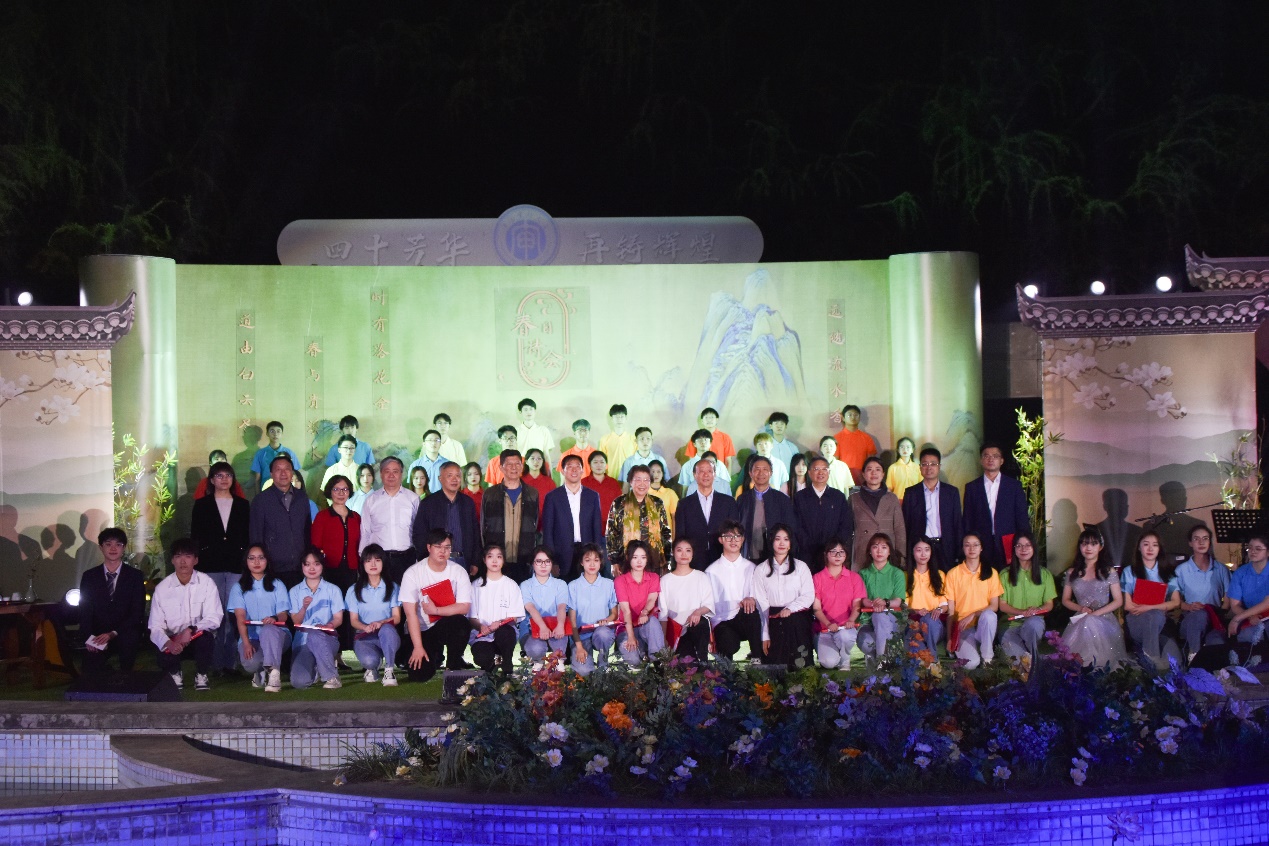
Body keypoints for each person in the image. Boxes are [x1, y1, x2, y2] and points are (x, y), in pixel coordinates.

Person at [190, 461, 251, 673]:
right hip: (210, 564)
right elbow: (195, 536)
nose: (224, 479)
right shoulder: (202, 505)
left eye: (228, 475)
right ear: (211, 480)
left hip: (236, 565)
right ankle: (214, 662)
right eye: (219, 475)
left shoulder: (243, 505)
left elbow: (247, 536)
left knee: (233, 612)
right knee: (214, 613)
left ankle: (231, 661)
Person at [149, 538, 224, 691]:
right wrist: (169, 643)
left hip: (196, 637)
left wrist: (190, 630)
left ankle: (202, 674)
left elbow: (214, 617)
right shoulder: (162, 588)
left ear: (195, 560)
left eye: (188, 556)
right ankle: (175, 673)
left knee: (206, 638)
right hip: (173, 639)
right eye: (178, 556)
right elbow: (155, 626)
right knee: (161, 644)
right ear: (172, 560)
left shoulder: (206, 583)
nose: (183, 561)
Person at [401, 528, 474, 682]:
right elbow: (410, 614)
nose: (443, 551)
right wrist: (418, 647)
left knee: (461, 623)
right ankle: (433, 656)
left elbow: (464, 606)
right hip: (422, 630)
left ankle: (453, 665)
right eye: (438, 546)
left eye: (447, 547)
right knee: (419, 675)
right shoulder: (413, 573)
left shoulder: (458, 571)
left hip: (445, 625)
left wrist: (436, 610)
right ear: (429, 547)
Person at [77, 527, 146, 676]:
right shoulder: (90, 576)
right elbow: (85, 611)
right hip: (98, 633)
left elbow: (137, 613)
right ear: (101, 547)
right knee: (91, 671)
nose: (113, 548)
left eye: (118, 544)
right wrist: (89, 637)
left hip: (124, 631)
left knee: (129, 642)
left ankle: (126, 678)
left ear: (124, 548)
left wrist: (113, 633)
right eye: (108, 544)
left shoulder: (135, 576)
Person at [226, 544, 292, 693]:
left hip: (277, 634)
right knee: (251, 663)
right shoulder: (238, 587)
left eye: (261, 558)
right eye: (252, 558)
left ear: (267, 560)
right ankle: (260, 670)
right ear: (246, 561)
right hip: (252, 637)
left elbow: (283, 614)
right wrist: (246, 643)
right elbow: (240, 617)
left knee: (268, 630)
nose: (256, 562)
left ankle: (274, 675)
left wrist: (274, 618)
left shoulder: (277, 584)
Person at [1060, 529, 1129, 669]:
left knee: (1090, 622)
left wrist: (1096, 613)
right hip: (1081, 617)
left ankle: (1095, 664)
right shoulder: (1072, 572)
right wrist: (1081, 609)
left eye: (1093, 544)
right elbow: (1065, 600)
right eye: (1084, 544)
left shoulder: (1109, 571)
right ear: (1080, 546)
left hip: (1104, 618)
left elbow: (1118, 600)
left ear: (1100, 547)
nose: (1088, 548)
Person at [752, 524, 814, 666]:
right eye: (777, 539)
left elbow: (808, 596)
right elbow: (762, 604)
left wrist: (790, 609)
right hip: (772, 618)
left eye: (786, 539)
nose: (781, 543)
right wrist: (765, 634)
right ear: (771, 541)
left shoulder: (801, 567)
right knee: (774, 667)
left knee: (799, 665)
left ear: (790, 543)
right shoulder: (761, 569)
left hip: (797, 616)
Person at [962, 443, 1031, 570]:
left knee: (1008, 577)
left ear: (1002, 461)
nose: (990, 459)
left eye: (995, 456)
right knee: (983, 577)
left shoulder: (1013, 486)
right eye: (986, 456)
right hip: (982, 543)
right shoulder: (972, 487)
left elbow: (1022, 518)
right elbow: (968, 519)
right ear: (981, 460)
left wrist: (1024, 543)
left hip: (1008, 542)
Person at [312, 473, 361, 654]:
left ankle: (346, 650)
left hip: (351, 571)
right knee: (332, 611)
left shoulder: (356, 517)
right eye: (336, 489)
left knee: (348, 610)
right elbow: (315, 546)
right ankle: (332, 652)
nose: (341, 493)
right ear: (329, 492)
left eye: (345, 489)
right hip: (329, 571)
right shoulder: (322, 516)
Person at [1168, 524, 1230, 662]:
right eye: (1196, 539)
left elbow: (1227, 600)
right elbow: (1175, 602)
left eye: (1205, 538)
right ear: (1190, 543)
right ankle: (1194, 656)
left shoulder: (1221, 569)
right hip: (1191, 619)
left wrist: (1217, 612)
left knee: (1217, 642)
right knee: (1200, 615)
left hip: (1214, 619)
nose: (1201, 542)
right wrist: (1189, 607)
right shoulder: (1181, 570)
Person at [1120, 531, 1181, 670]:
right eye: (1146, 544)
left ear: (1159, 549)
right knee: (1152, 616)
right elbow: (1128, 605)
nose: (1150, 548)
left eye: (1155, 545)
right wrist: (1151, 609)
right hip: (1137, 619)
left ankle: (1151, 664)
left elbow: (1176, 602)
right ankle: (1151, 664)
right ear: (1139, 547)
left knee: (1175, 660)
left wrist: (1148, 607)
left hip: (1161, 621)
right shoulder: (1129, 571)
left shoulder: (1167, 572)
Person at [249, 455, 311, 586]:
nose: (283, 473)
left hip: (299, 567)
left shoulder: (302, 498)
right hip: (273, 568)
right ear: (271, 474)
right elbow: (256, 536)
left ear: (292, 473)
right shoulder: (261, 500)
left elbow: (307, 531)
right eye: (278, 469)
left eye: (287, 469)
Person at [288, 547, 346, 690]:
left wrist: (328, 626)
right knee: (299, 682)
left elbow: (338, 618)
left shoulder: (333, 590)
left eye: (316, 564)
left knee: (315, 635)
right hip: (303, 642)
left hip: (326, 640)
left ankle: (332, 677)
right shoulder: (295, 591)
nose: (312, 568)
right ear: (302, 566)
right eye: (307, 564)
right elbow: (296, 622)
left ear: (322, 566)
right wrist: (304, 607)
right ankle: (317, 668)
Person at [412, 461, 481, 577]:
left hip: (463, 560)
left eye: (458, 476)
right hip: (436, 561)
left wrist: (475, 561)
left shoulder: (468, 502)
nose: (454, 479)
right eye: (449, 475)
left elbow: (475, 533)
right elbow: (419, 534)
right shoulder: (428, 503)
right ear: (440, 479)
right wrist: (426, 560)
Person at [540, 453, 604, 580]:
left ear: (582, 470)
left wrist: (596, 557)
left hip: (587, 553)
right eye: (569, 467)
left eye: (577, 466)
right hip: (561, 555)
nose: (574, 470)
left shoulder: (592, 496)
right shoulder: (552, 497)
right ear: (563, 471)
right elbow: (548, 532)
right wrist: (551, 560)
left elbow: (597, 528)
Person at [357, 456, 419, 585]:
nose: (391, 475)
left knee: (406, 595)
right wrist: (364, 559)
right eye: (387, 471)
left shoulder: (413, 499)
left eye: (395, 471)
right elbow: (365, 532)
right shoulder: (371, 500)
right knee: (382, 594)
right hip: (379, 560)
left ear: (401, 474)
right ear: (381, 474)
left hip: (407, 558)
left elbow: (418, 531)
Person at [944, 533, 1002, 669]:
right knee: (970, 664)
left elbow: (994, 606)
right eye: (967, 545)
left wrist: (974, 614)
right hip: (963, 628)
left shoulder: (991, 573)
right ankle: (975, 655)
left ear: (981, 548)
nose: (972, 549)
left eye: (976, 545)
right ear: (963, 548)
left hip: (983, 627)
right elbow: (951, 611)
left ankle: (987, 659)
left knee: (989, 615)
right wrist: (950, 639)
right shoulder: (953, 574)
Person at [707, 520, 763, 661]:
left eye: (737, 536)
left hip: (745, 618)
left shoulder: (751, 568)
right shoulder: (711, 571)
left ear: (743, 539)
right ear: (721, 540)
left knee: (752, 612)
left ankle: (757, 659)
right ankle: (726, 668)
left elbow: (758, 594)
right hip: (723, 620)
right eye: (728, 536)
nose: (733, 540)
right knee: (728, 645)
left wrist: (751, 598)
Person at [345, 544, 401, 685]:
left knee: (387, 630)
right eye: (368, 560)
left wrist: (381, 623)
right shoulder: (353, 590)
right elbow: (353, 620)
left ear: (383, 562)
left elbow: (397, 617)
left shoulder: (393, 587)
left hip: (387, 634)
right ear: (363, 564)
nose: (373, 564)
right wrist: (365, 627)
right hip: (365, 636)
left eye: (377, 560)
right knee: (369, 661)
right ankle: (373, 668)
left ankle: (389, 670)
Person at [481, 449, 540, 582]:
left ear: (522, 466)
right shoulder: (490, 494)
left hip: (524, 559)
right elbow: (483, 528)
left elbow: (535, 526)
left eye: (517, 464)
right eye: (509, 464)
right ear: (501, 468)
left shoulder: (532, 493)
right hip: (498, 560)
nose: (514, 468)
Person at [901, 447, 962, 570]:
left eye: (933, 464)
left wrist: (959, 552)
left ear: (939, 466)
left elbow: (957, 524)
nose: (929, 468)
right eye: (925, 464)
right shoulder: (911, 493)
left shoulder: (951, 492)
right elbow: (906, 525)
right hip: (921, 549)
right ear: (920, 467)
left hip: (945, 547)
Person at [998, 532, 1055, 663]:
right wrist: (1022, 612)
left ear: (1034, 548)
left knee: (1033, 624)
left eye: (1028, 545)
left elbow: (1049, 604)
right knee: (1019, 661)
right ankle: (1034, 658)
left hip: (1033, 622)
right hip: (1010, 625)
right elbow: (1002, 605)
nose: (1023, 549)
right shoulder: (1005, 575)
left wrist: (1036, 610)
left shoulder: (1044, 574)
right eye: (1019, 546)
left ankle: (1033, 653)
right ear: (1014, 549)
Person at [674, 456, 739, 570]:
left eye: (709, 471)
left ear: (715, 475)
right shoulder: (684, 504)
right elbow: (680, 535)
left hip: (722, 558)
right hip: (694, 560)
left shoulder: (728, 502)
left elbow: (734, 532)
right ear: (695, 475)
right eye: (701, 471)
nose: (706, 475)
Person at [605, 464, 673, 573]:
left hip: (654, 561)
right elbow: (611, 533)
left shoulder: (657, 503)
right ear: (630, 481)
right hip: (625, 561)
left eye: (646, 480)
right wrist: (614, 561)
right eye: (638, 479)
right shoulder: (619, 503)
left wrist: (668, 559)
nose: (642, 484)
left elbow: (665, 532)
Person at [469, 544, 525, 673]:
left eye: (499, 557)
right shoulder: (475, 585)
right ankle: (491, 664)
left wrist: (499, 623)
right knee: (482, 657)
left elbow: (514, 617)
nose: (495, 561)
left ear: (503, 560)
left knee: (505, 632)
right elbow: (471, 617)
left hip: (504, 633)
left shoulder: (511, 585)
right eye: (490, 556)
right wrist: (480, 626)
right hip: (483, 635)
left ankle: (507, 663)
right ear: (484, 560)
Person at [793, 456, 854, 574]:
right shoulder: (800, 497)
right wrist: (807, 544)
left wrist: (833, 547)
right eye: (816, 469)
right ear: (809, 473)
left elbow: (846, 525)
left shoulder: (838, 497)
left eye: (824, 469)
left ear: (829, 472)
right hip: (807, 554)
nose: (820, 472)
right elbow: (796, 525)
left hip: (833, 554)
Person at [812, 538, 866, 669]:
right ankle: (830, 652)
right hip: (825, 629)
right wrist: (828, 624)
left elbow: (857, 605)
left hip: (846, 628)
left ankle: (845, 658)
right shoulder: (817, 578)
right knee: (828, 663)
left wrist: (851, 620)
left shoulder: (854, 578)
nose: (837, 555)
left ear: (846, 555)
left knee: (845, 636)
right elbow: (816, 608)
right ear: (826, 554)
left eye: (841, 552)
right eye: (833, 551)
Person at [659, 538, 715, 660]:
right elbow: (663, 613)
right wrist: (663, 638)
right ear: (673, 553)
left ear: (693, 553)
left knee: (701, 623)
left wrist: (698, 612)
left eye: (688, 550)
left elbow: (708, 605)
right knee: (686, 664)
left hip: (696, 626)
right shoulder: (665, 580)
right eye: (679, 550)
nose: (684, 554)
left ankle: (703, 661)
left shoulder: (701, 577)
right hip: (676, 632)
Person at [568, 543, 619, 676]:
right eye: (588, 560)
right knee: (583, 671)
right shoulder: (573, 586)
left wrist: (606, 620)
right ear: (581, 562)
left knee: (603, 634)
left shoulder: (609, 584)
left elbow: (614, 613)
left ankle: (603, 660)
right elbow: (572, 621)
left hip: (601, 632)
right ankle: (585, 658)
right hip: (581, 636)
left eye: (596, 560)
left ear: (601, 562)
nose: (592, 564)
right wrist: (579, 647)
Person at [735, 456, 796, 562]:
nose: (761, 473)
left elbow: (790, 528)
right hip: (748, 555)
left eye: (765, 469)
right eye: (757, 469)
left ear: (771, 473)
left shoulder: (782, 499)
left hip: (775, 556)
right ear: (750, 473)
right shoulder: (743, 499)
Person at [857, 533, 906, 666]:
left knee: (880, 616)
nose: (879, 551)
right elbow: (862, 599)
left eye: (884, 547)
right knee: (867, 643)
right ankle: (882, 655)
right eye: (875, 547)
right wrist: (874, 604)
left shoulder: (897, 573)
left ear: (889, 551)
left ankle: (882, 663)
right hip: (868, 622)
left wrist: (885, 603)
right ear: (870, 551)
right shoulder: (862, 574)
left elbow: (898, 601)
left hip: (892, 620)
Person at [849, 456, 905, 571]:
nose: (873, 473)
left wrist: (901, 555)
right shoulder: (854, 499)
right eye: (869, 469)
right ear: (863, 474)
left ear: (883, 474)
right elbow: (848, 529)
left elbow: (899, 529)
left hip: (887, 553)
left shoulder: (892, 498)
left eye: (878, 469)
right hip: (862, 552)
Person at [615, 540, 666, 665]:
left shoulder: (653, 577)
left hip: (646, 624)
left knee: (653, 622)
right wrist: (631, 636)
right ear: (628, 558)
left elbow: (651, 599)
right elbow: (625, 610)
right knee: (634, 661)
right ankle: (642, 653)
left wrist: (645, 612)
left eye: (643, 557)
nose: (639, 561)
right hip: (626, 628)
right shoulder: (620, 581)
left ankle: (658, 662)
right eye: (635, 557)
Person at [520, 546, 571, 661]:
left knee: (559, 651)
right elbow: (530, 608)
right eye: (539, 561)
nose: (543, 565)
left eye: (547, 561)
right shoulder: (525, 585)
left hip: (556, 627)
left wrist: (560, 625)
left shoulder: (561, 584)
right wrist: (542, 627)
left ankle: (557, 667)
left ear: (552, 563)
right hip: (531, 629)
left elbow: (562, 607)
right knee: (536, 648)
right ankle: (537, 664)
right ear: (532, 564)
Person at [905, 535, 948, 655]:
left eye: (927, 549)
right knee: (917, 655)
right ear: (912, 552)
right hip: (913, 624)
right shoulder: (906, 576)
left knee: (928, 620)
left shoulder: (939, 575)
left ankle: (933, 658)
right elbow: (903, 606)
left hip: (934, 624)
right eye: (919, 550)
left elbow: (945, 605)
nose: (923, 554)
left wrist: (938, 610)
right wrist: (916, 611)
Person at [1227, 533, 1269, 643]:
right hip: (1248, 616)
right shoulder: (1240, 573)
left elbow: (1267, 603)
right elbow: (1235, 605)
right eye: (1250, 548)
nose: (1252, 551)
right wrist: (1250, 616)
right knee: (1247, 635)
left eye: (1258, 549)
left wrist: (1237, 618)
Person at [250, 421, 300, 493]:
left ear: (282, 433)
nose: (275, 434)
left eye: (278, 431)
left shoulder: (290, 453)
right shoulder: (260, 453)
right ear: (267, 433)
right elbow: (257, 478)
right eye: (272, 431)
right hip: (266, 490)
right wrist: (258, 495)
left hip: (287, 491)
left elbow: (296, 475)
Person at [598, 404, 637, 487]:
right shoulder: (604, 439)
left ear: (626, 418)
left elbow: (637, 461)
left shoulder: (634, 439)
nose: (619, 419)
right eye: (616, 416)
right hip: (610, 480)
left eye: (622, 416)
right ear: (611, 418)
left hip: (629, 481)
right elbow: (601, 461)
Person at [514, 398, 555, 472]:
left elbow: (546, 454)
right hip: (520, 466)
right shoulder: (515, 431)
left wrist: (550, 473)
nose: (528, 412)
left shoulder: (543, 430)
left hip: (539, 465)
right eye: (525, 409)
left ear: (535, 411)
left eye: (531, 409)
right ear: (520, 412)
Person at [582, 451, 623, 524]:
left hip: (610, 524)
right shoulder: (583, 483)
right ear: (590, 465)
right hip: (589, 524)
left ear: (606, 465)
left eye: (602, 462)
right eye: (595, 462)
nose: (599, 465)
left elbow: (620, 504)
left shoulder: (613, 483)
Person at [646, 460, 679, 534]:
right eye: (653, 472)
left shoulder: (670, 493)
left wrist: (674, 537)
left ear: (663, 474)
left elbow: (675, 517)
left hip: (666, 535)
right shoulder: (643, 493)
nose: (656, 474)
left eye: (658, 471)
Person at [765, 412, 801, 477]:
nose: (779, 426)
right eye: (776, 423)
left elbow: (798, 466)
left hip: (789, 481)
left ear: (786, 426)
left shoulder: (793, 448)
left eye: (782, 423)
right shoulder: (765, 447)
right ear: (770, 426)